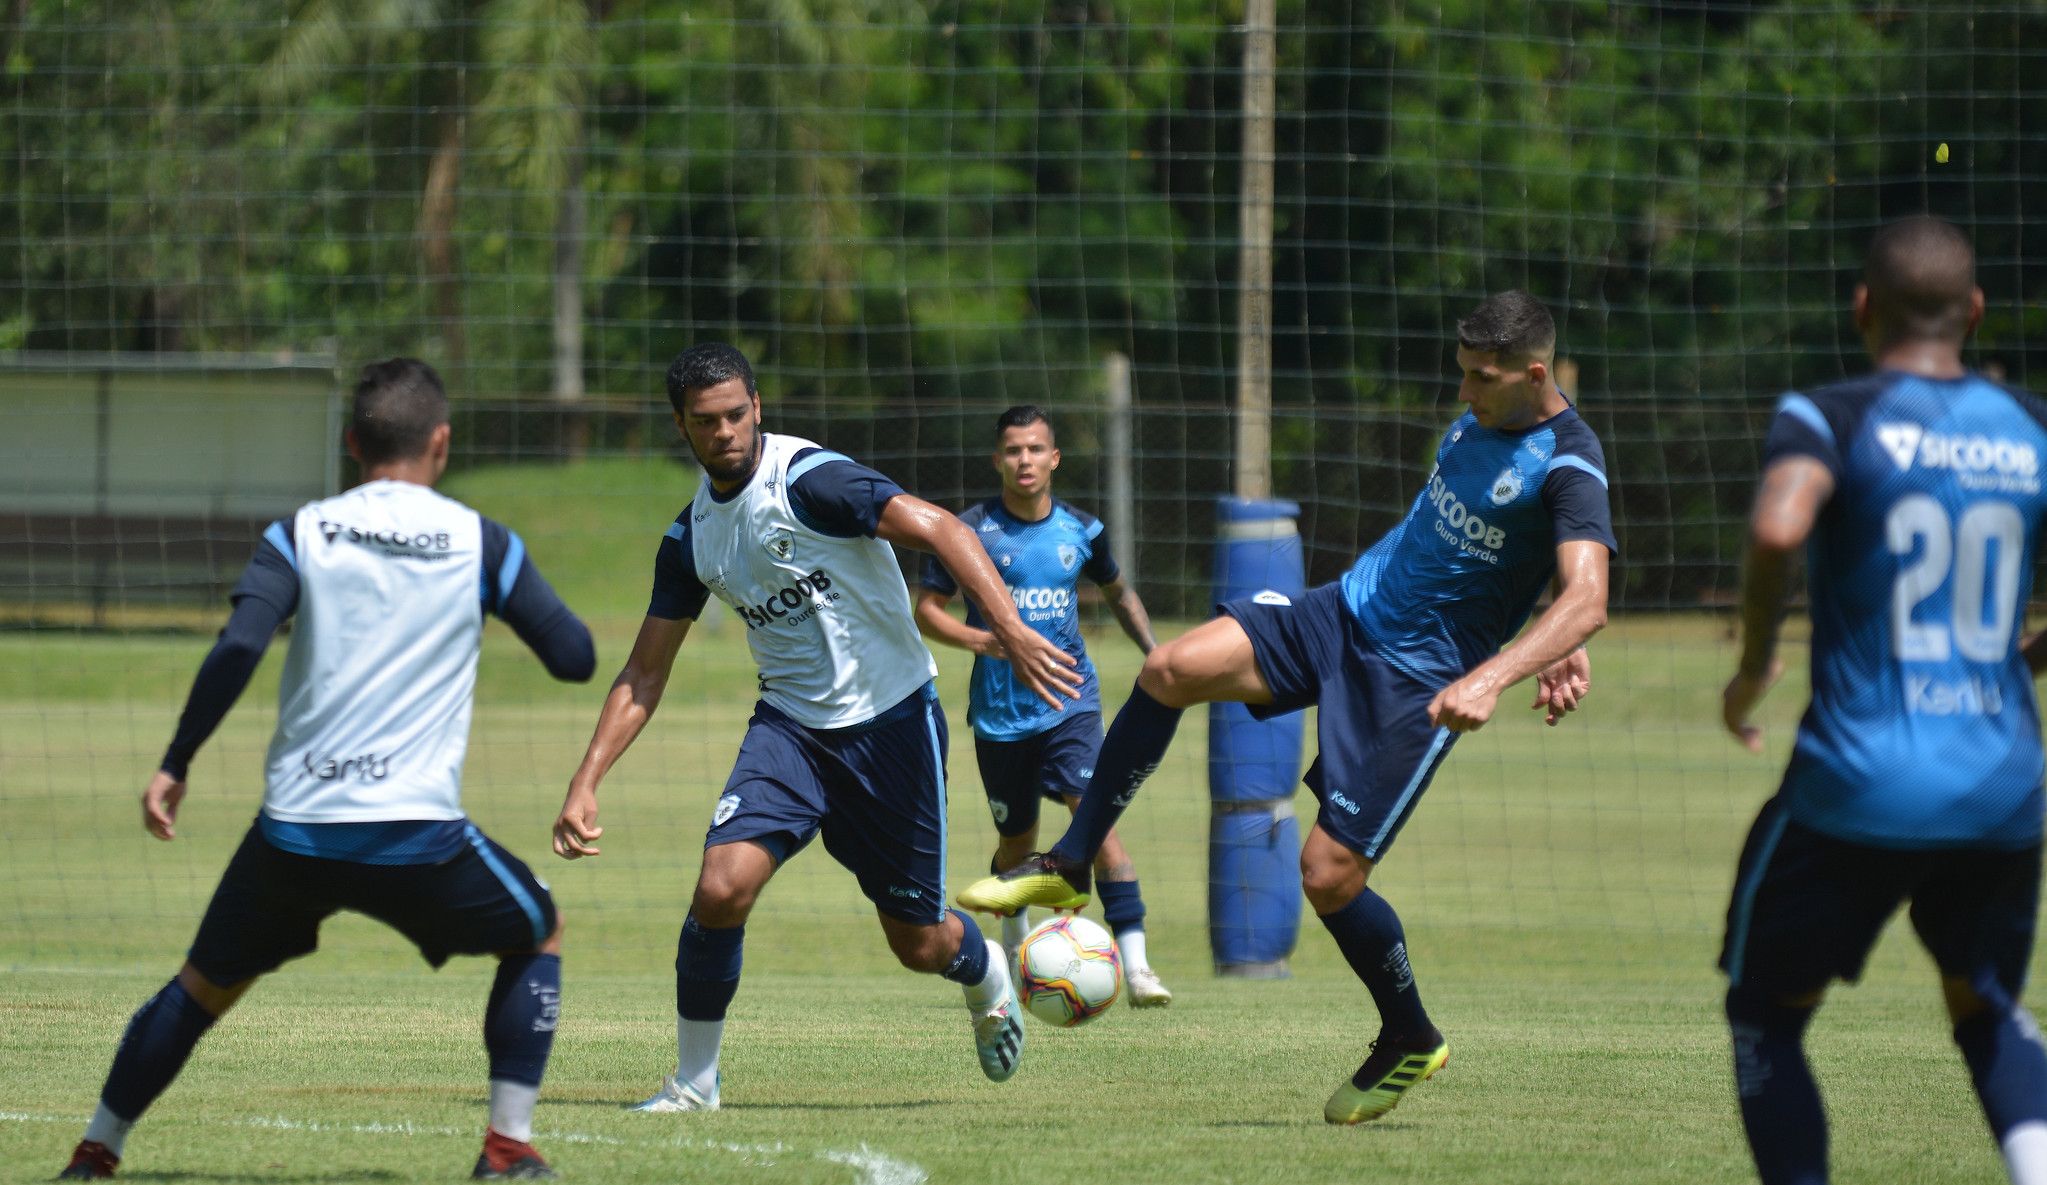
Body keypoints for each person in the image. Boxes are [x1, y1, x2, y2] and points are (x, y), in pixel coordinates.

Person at [960, 290, 1615, 1125]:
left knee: (1327, 875)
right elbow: (1537, 571)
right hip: (1341, 612)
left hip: (1415, 680)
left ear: (1535, 373)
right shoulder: (1477, 420)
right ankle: (1071, 861)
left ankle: (1407, 1033)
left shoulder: (1569, 460)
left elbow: (1587, 593)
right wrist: (1556, 630)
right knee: (1169, 667)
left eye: (1482, 378)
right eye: (1460, 374)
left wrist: (1501, 671)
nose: (1463, 392)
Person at [57, 358, 596, 1183]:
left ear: (351, 444)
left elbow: (239, 644)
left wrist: (176, 762)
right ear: (441, 443)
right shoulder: (480, 541)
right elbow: (573, 658)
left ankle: (98, 1147)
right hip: (417, 831)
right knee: (538, 929)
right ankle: (507, 1145)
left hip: (296, 831)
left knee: (202, 986)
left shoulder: (300, 533)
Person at [550, 343, 1081, 1112]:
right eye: (706, 421)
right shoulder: (691, 538)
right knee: (719, 887)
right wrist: (585, 779)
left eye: (737, 413)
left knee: (918, 941)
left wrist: (1012, 630)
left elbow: (940, 529)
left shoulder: (812, 480)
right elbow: (644, 670)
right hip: (790, 731)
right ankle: (695, 1083)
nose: (725, 431)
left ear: (757, 407)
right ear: (682, 427)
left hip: (893, 724)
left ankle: (984, 976)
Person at [1720, 216, 2047, 1185]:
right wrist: (2020, 658)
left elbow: (1775, 523)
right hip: (2005, 785)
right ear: (1973, 315)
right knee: (1985, 1006)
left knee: (1764, 1013)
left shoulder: (1832, 414)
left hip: (1860, 784)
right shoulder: (2024, 428)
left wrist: (1755, 665)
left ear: (1862, 309)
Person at [915, 405, 1172, 1006]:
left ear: (1054, 458)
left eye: (1035, 449)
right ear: (997, 459)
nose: (1024, 460)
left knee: (1097, 824)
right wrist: (986, 641)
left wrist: (1156, 654)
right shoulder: (970, 530)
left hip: (1070, 701)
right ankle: (1012, 955)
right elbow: (926, 608)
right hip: (1001, 718)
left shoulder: (1081, 530)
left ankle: (1136, 968)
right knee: (1016, 846)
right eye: (1013, 450)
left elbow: (1120, 593)